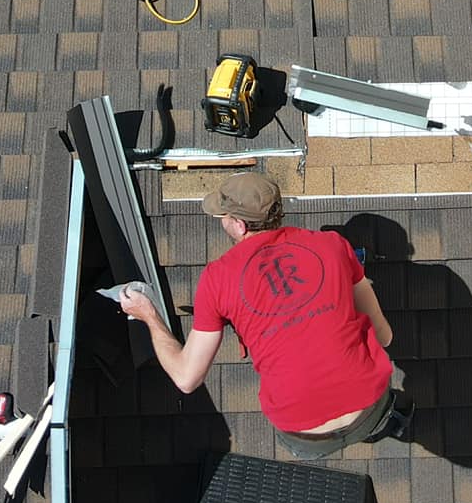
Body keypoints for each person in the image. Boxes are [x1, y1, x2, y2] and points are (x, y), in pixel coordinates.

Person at [119, 171, 406, 457]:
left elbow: (186, 378)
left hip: (304, 430)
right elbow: (386, 337)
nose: (222, 222)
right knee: (367, 414)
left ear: (240, 225)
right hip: (368, 404)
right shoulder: (333, 245)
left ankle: (332, 443)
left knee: (307, 446)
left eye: (224, 216)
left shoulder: (218, 278)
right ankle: (379, 425)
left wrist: (149, 316)